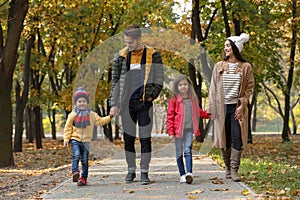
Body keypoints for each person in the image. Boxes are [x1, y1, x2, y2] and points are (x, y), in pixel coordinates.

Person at [109, 24, 164, 185]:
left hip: (144, 103)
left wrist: (151, 96)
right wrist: (114, 104)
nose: (128, 46)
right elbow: (115, 82)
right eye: (126, 43)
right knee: (128, 139)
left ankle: (145, 172)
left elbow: (159, 79)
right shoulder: (120, 57)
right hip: (126, 105)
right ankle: (131, 170)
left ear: (139, 39)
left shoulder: (153, 55)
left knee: (145, 138)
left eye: (131, 43)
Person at [207, 33, 254, 182]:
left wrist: (243, 105)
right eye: (225, 46)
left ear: (235, 48)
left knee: (237, 138)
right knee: (224, 139)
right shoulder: (219, 66)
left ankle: (234, 170)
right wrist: (211, 109)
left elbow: (249, 88)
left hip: (236, 108)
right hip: (221, 109)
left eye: (228, 45)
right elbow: (213, 88)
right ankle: (227, 168)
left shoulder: (246, 67)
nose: (225, 48)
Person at [64, 87, 113, 186]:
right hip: (75, 139)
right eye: (79, 101)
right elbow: (68, 128)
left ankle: (83, 178)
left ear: (87, 102)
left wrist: (110, 117)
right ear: (76, 103)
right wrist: (66, 139)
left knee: (85, 160)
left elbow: (100, 121)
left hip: (86, 141)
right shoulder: (72, 115)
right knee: (76, 155)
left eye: (84, 101)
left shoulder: (92, 115)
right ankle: (75, 172)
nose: (82, 103)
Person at [166, 74, 209, 184]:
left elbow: (198, 111)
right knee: (179, 152)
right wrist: (170, 132)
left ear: (189, 86)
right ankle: (182, 174)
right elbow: (170, 116)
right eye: (180, 85)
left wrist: (207, 115)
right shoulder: (174, 100)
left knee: (188, 150)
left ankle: (189, 173)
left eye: (185, 84)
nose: (183, 87)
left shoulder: (192, 99)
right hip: (177, 131)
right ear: (177, 87)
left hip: (189, 129)